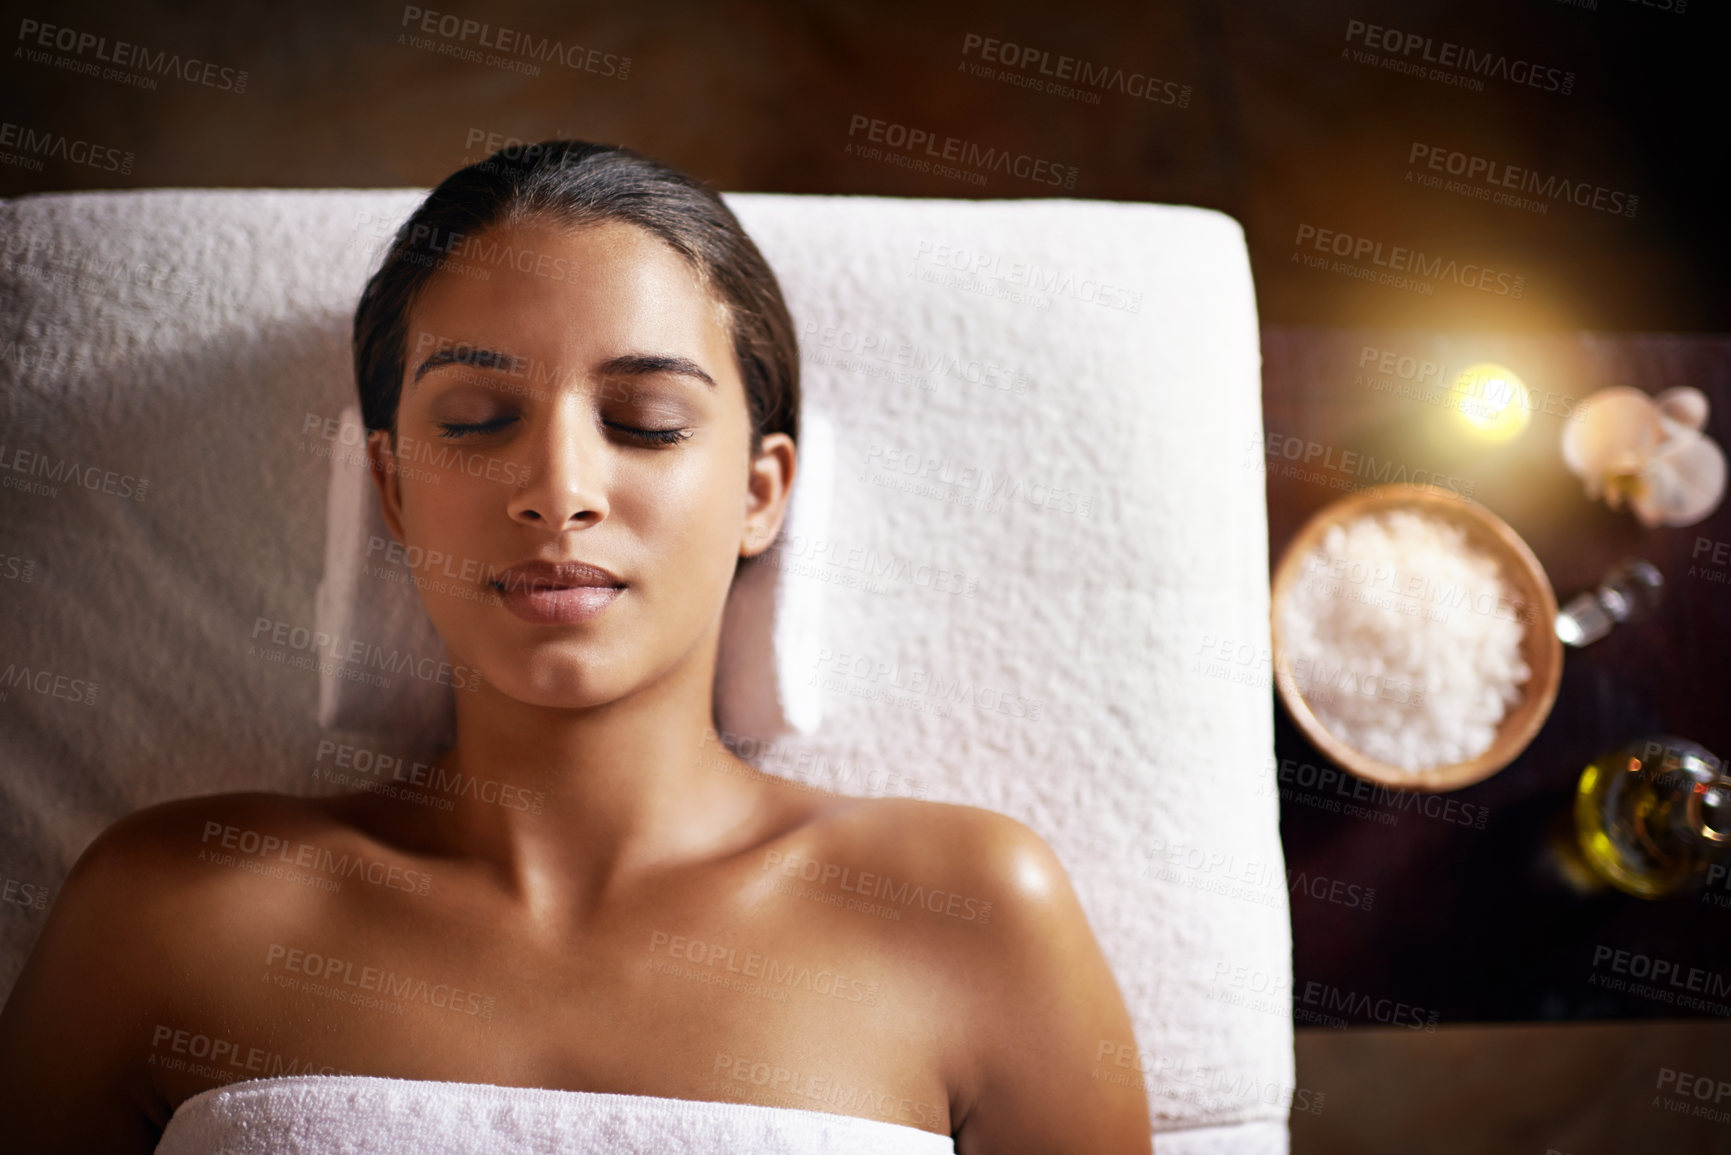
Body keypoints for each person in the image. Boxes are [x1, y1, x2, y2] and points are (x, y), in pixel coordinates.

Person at [0, 140, 1153, 1154]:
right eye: (476, 422)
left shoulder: (973, 917)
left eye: (645, 424)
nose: (559, 491)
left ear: (763, 494)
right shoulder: (170, 911)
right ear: (393, 487)